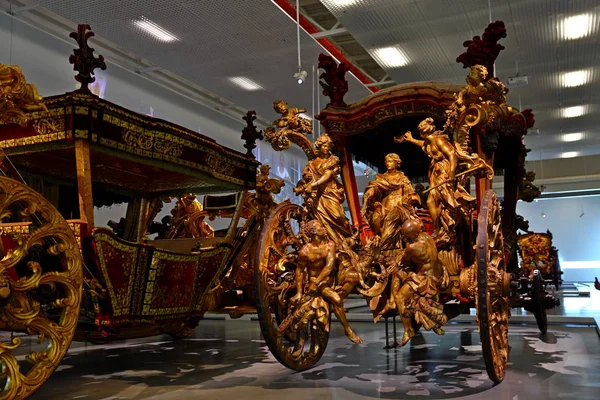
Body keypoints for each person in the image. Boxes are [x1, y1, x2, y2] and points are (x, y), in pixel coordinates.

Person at [287, 220, 362, 348]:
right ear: (315, 232)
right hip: (316, 283)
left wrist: (316, 282)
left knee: (348, 284)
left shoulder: (329, 245)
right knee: (336, 299)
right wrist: (299, 292)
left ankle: (347, 329)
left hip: (323, 281)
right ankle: (347, 329)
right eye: (321, 227)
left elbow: (329, 265)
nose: (324, 228)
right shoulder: (305, 251)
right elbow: (299, 271)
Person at [395, 118, 475, 238]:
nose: (420, 134)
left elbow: (452, 155)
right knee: (431, 200)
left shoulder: (439, 140)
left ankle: (443, 227)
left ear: (424, 132)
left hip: (443, 172)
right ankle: (438, 228)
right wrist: (411, 140)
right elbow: (423, 144)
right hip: (435, 173)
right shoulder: (429, 142)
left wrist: (452, 173)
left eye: (420, 131)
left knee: (434, 199)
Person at [393, 219, 449, 346]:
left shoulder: (411, 247)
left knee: (400, 297)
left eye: (406, 235)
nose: (404, 238)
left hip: (424, 279)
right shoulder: (427, 237)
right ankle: (431, 322)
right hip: (436, 274)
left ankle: (408, 330)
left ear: (414, 235)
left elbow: (404, 263)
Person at [296, 134, 352, 244]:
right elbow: (307, 176)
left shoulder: (332, 160)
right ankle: (329, 243)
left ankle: (347, 237)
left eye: (329, 146)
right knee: (319, 221)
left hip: (330, 192)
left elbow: (327, 175)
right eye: (325, 146)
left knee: (338, 217)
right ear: (319, 146)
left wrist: (313, 185)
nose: (327, 148)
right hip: (317, 196)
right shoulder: (312, 163)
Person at [361, 153, 420, 250]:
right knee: (375, 218)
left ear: (397, 163)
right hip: (384, 207)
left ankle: (385, 246)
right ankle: (379, 237)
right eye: (386, 161)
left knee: (390, 219)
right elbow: (375, 188)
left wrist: (410, 199)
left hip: (400, 208)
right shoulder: (381, 178)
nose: (387, 164)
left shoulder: (403, 179)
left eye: (390, 161)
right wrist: (371, 191)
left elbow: (409, 194)